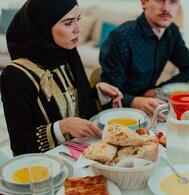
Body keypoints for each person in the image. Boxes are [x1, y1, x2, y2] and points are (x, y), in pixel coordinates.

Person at [1, 0, 122, 156]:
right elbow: (20, 145)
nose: (78, 29)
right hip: (47, 167)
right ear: (43, 26)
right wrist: (62, 127)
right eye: (68, 23)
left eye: (78, 20)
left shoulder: (67, 54)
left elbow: (74, 104)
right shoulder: (15, 76)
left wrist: (99, 93)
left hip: (83, 152)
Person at [100, 0, 189, 116]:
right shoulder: (121, 37)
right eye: (159, 1)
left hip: (152, 107)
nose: (167, 8)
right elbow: (107, 98)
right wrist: (134, 101)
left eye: (173, 2)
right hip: (121, 114)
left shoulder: (172, 31)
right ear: (144, 2)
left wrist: (158, 90)